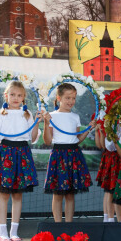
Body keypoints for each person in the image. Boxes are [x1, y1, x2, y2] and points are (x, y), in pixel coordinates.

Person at [0, 81, 42, 241]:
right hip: (5, 153)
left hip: (22, 154)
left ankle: (14, 232)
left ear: (23, 98)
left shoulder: (27, 114)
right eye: (12, 94)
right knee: (4, 194)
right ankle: (2, 233)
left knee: (17, 195)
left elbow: (33, 138)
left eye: (19, 95)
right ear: (6, 95)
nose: (16, 98)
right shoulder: (0, 114)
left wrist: (37, 122)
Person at [43, 83, 95, 222]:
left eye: (73, 98)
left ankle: (68, 224)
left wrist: (88, 129)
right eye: (67, 98)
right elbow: (48, 141)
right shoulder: (52, 116)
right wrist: (45, 123)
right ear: (59, 98)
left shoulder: (75, 116)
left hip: (73, 154)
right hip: (58, 154)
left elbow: (76, 139)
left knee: (70, 194)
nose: (71, 101)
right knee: (58, 193)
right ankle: (58, 224)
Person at [94, 121, 121, 222]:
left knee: (113, 189)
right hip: (112, 157)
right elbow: (103, 145)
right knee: (110, 189)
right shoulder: (108, 120)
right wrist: (100, 132)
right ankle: (109, 218)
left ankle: (113, 218)